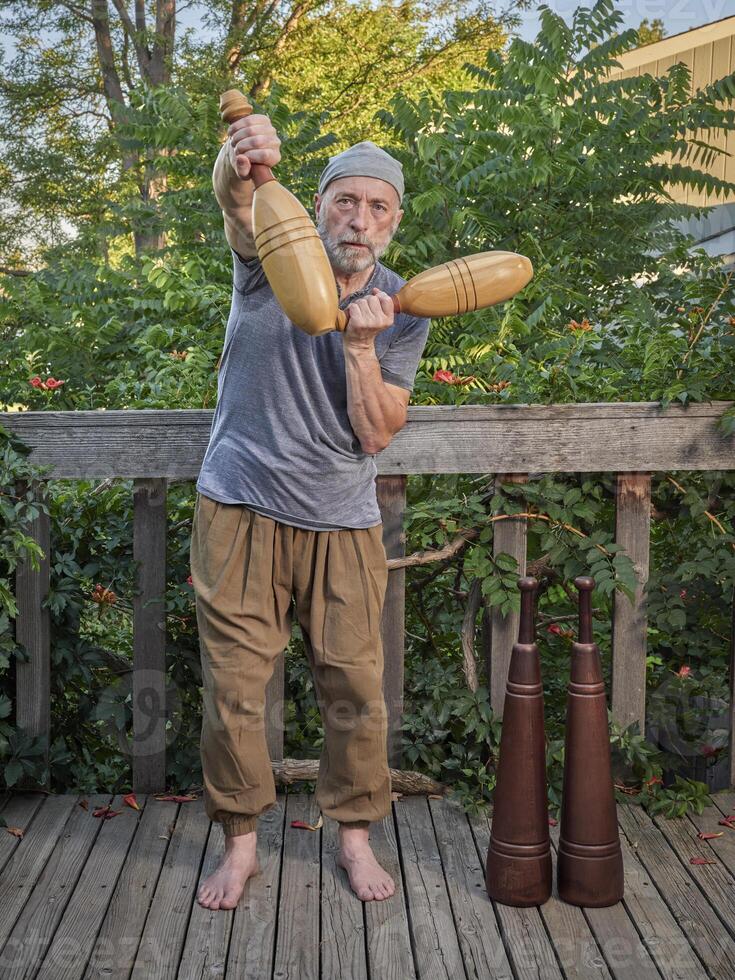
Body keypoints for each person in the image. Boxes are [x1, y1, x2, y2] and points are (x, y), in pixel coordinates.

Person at [191, 110, 430, 911]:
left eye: (377, 207)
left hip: (341, 521)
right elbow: (234, 198)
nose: (358, 220)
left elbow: (375, 433)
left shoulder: (405, 305)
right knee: (233, 692)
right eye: (344, 202)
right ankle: (241, 845)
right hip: (240, 508)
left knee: (355, 692)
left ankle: (355, 838)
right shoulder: (267, 259)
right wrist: (240, 156)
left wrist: (361, 347)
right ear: (318, 205)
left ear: (394, 221)